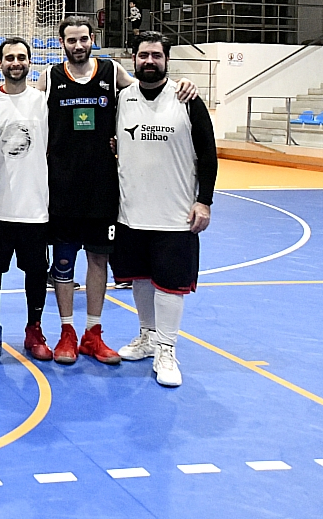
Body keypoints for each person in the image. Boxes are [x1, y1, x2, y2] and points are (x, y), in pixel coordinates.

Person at [0, 15, 196, 367]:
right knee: (63, 264)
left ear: (92, 39)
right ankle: (66, 331)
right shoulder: (50, 77)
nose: (78, 45)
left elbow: (148, 86)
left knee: (99, 261)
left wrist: (184, 84)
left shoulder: (111, 72)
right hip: (61, 190)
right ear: (62, 43)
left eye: (83, 39)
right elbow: (17, 99)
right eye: (71, 40)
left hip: (103, 189)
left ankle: (93, 333)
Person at [113, 32, 217, 387]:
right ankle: (147, 336)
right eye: (144, 55)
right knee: (141, 278)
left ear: (167, 60)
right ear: (133, 59)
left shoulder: (187, 99)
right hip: (131, 212)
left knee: (171, 284)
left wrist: (204, 200)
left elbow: (208, 154)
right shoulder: (122, 99)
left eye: (156, 55)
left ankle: (167, 349)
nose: (150, 61)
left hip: (176, 214)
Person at [0, 38, 53, 362]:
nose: (16, 62)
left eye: (21, 57)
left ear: (29, 62)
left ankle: (34, 328)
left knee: (36, 272)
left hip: (35, 208)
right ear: (0, 64)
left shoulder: (43, 101)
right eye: (9, 58)